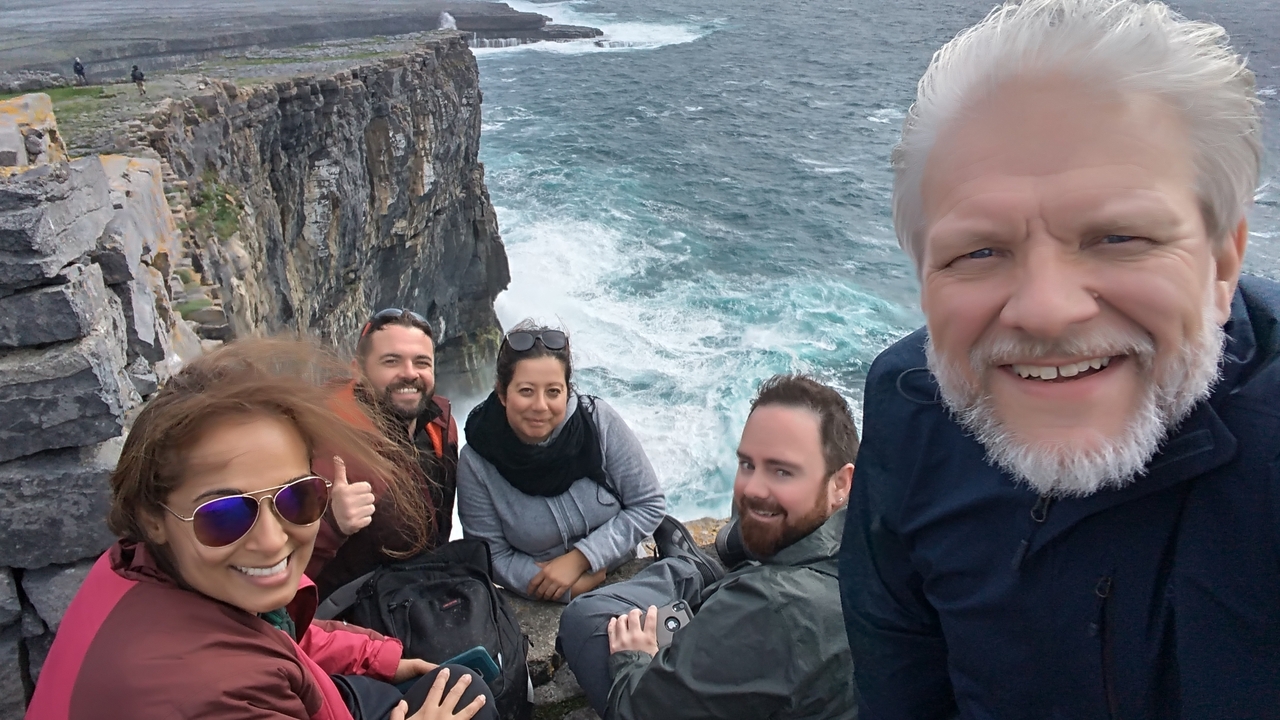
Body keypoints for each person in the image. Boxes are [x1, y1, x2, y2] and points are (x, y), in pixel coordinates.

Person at [838, 1, 1277, 718]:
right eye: (978, 251)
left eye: (1119, 237)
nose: (1044, 309)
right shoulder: (910, 408)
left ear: (1223, 262)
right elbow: (900, 682)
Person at [25, 339, 493, 720]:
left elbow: (276, 635)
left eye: (298, 498)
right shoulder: (209, 695)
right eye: (225, 514)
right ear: (153, 517)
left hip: (302, 686)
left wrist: (380, 658)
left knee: (458, 686)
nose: (271, 540)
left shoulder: (142, 569)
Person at [559, 374, 859, 718]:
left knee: (586, 618)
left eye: (782, 471)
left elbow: (638, 711)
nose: (753, 488)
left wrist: (634, 657)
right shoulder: (880, 540)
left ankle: (689, 569)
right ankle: (729, 552)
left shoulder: (767, 606)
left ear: (840, 483)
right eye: (747, 464)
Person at [456, 321, 666, 603]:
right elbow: (491, 555)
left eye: (553, 391)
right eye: (526, 391)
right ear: (503, 393)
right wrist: (560, 588)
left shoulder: (597, 421)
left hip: (625, 576)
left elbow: (648, 504)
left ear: (567, 391)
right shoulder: (477, 461)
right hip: (540, 598)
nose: (540, 406)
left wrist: (582, 558)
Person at [308, 308, 458, 598]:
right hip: (349, 612)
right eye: (391, 361)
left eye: (422, 362)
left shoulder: (440, 427)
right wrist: (332, 525)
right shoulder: (325, 439)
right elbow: (279, 563)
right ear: (358, 370)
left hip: (420, 594)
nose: (410, 373)